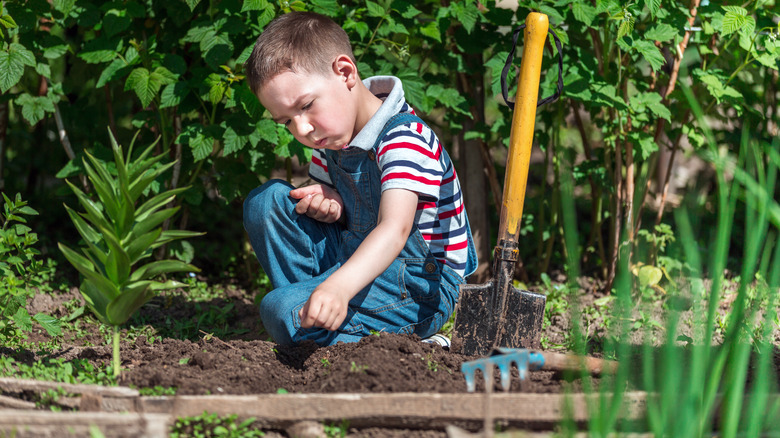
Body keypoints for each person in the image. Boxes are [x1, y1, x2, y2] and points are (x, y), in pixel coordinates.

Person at [242, 11, 477, 346]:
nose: (302, 130)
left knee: (280, 310)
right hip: (354, 259)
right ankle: (318, 316)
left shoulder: (404, 138)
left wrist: (339, 287)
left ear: (345, 72)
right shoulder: (330, 137)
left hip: (417, 288)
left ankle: (396, 340)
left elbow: (395, 229)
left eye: (306, 106)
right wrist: (331, 201)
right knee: (267, 203)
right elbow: (340, 206)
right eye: (286, 122)